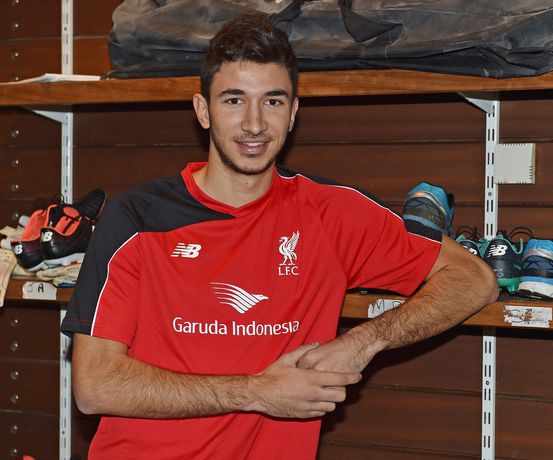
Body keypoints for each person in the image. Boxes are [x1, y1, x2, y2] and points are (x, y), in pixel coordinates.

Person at [60, 12, 498, 460]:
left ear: (292, 114)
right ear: (203, 111)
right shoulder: (136, 218)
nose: (254, 124)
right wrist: (257, 392)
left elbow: (475, 280)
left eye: (272, 101)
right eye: (234, 100)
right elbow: (95, 386)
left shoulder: (331, 214)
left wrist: (363, 343)